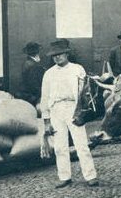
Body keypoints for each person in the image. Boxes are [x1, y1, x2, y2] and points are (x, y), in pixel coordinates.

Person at [41, 39, 99, 188]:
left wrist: (83, 111)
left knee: (81, 144)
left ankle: (90, 175)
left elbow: (85, 92)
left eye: (60, 54)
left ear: (66, 54)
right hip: (56, 110)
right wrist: (46, 120)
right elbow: (45, 97)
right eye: (54, 55)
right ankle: (64, 176)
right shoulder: (48, 74)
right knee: (60, 146)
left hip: (74, 108)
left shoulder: (77, 69)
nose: (57, 57)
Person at [20, 42, 46, 109]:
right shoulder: (34, 66)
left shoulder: (26, 63)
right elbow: (35, 85)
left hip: (27, 95)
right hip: (33, 97)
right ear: (37, 54)